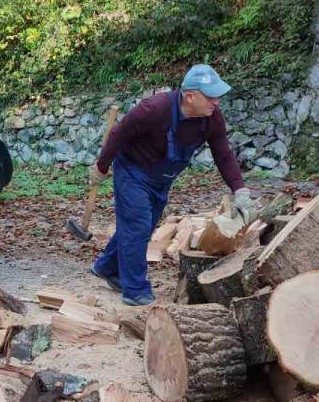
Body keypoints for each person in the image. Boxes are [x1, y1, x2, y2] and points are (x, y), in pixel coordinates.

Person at [90, 64, 252, 305]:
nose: (216, 102)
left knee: (142, 227)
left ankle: (107, 267)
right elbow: (118, 134)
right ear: (190, 96)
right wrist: (101, 167)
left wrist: (239, 189)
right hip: (132, 171)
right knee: (138, 226)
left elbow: (223, 154)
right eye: (211, 96)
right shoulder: (153, 109)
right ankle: (135, 291)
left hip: (161, 179)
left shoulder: (212, 118)